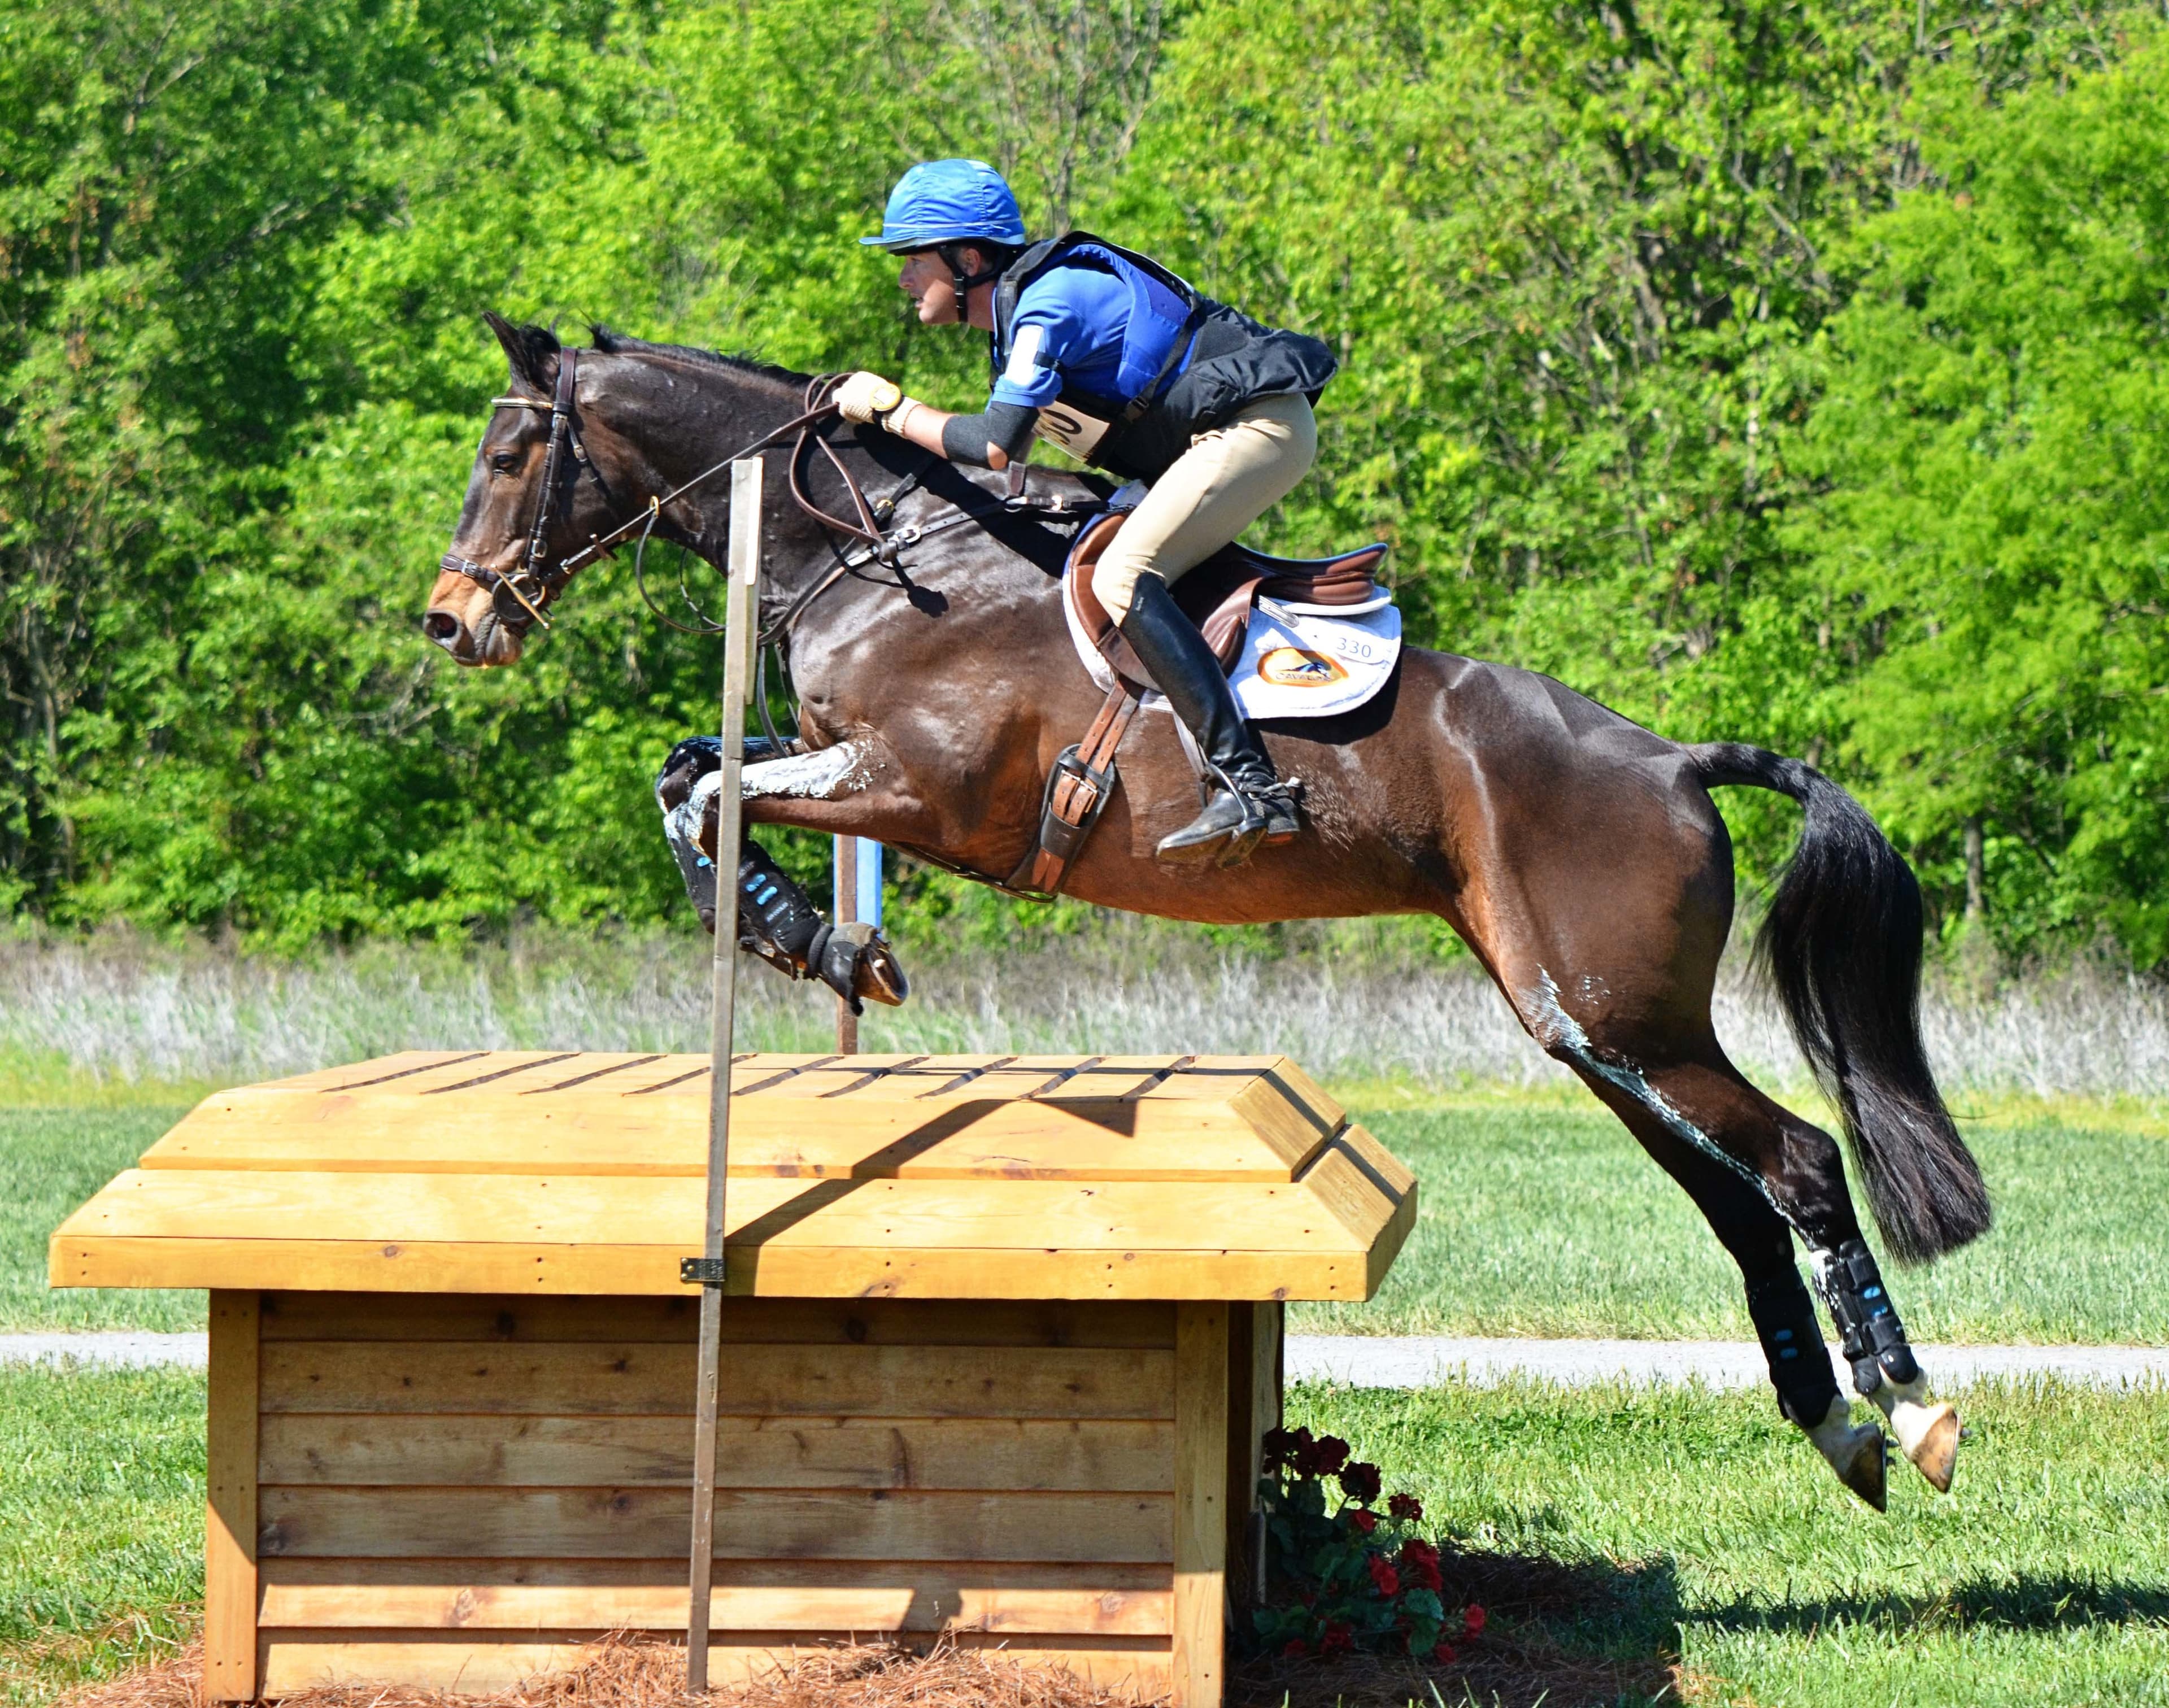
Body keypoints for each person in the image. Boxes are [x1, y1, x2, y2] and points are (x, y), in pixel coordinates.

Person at [833, 158, 1338, 867]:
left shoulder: (1048, 305)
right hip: (1203, 441)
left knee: (1123, 576)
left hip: (1257, 427)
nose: (904, 278)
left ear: (968, 260)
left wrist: (894, 411)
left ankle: (1252, 785)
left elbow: (994, 445)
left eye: (913, 259)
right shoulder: (1016, 322)